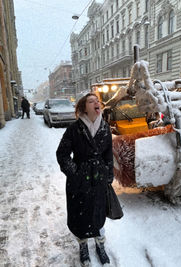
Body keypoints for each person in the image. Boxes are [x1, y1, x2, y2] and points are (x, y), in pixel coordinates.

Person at [56, 93, 113, 266]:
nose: (96, 102)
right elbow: (62, 154)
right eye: (91, 101)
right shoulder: (74, 129)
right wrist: (75, 173)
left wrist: (108, 174)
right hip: (80, 181)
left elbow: (108, 154)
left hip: (98, 179)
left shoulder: (105, 128)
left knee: (98, 212)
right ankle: (83, 246)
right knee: (80, 214)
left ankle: (99, 244)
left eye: (97, 100)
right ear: (83, 108)